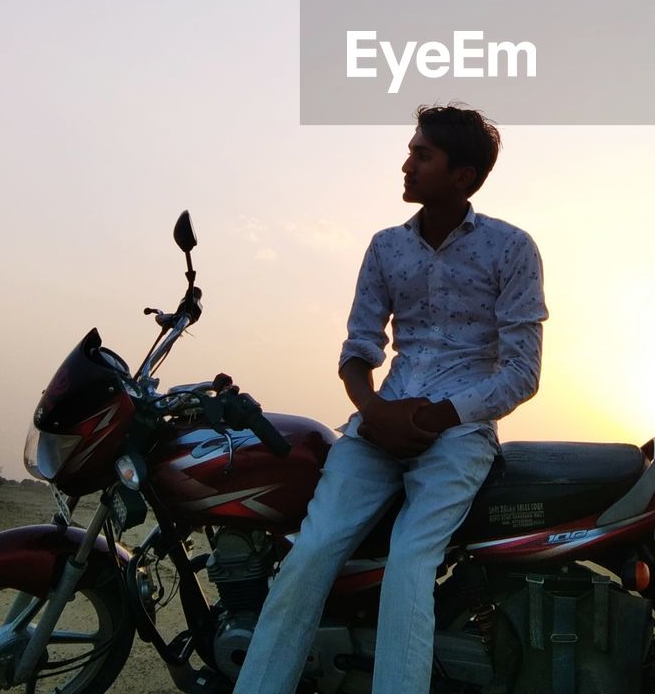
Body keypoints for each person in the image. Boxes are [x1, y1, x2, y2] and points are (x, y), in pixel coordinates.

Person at [233, 104, 548, 694]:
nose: (406, 165)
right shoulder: (385, 248)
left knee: (410, 563)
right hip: (377, 428)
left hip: (458, 433)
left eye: (422, 154)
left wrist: (438, 416)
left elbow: (523, 373)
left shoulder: (511, 248)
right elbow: (358, 346)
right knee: (310, 554)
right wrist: (374, 410)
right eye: (411, 151)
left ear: (463, 175)